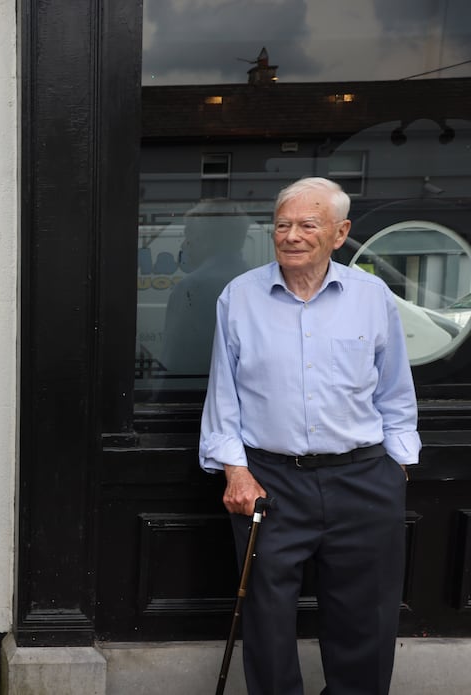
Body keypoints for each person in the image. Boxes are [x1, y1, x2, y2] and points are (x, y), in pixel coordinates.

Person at [199, 176, 420, 694]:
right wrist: (235, 470)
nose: (292, 235)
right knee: (268, 617)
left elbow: (395, 391)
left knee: (365, 619)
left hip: (364, 477)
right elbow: (223, 396)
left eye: (307, 224)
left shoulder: (372, 297)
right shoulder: (240, 297)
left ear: (339, 233)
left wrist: (398, 466)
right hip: (271, 480)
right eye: (282, 224)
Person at [161, 199, 251, 375]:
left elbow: (174, 364)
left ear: (206, 240)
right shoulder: (255, 285)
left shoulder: (190, 289)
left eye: (188, 236)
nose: (183, 244)